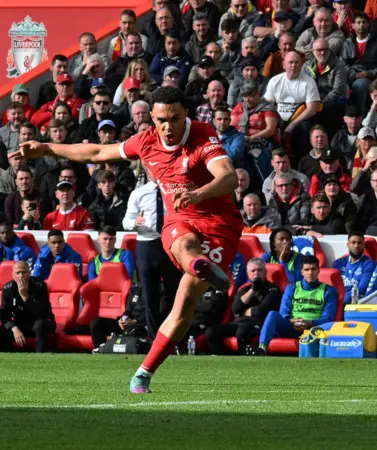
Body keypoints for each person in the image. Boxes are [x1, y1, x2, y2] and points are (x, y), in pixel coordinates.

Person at [13, 86, 242, 394]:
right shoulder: (146, 141)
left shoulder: (203, 136)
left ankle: (145, 371)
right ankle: (199, 266)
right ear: (152, 118)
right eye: (160, 119)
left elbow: (228, 177)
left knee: (185, 300)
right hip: (180, 219)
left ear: (185, 114)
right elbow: (96, 152)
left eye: (174, 119)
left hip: (219, 224)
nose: (167, 127)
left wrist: (198, 194)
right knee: (184, 245)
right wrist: (47, 148)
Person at [122, 167, 181, 339]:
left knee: (174, 293)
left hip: (170, 243)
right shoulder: (139, 193)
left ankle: (174, 338)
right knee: (149, 295)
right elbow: (126, 221)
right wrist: (135, 222)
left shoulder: (174, 191)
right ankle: (154, 339)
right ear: (148, 172)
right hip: (147, 245)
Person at [249, 255, 337, 355]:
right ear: (302, 272)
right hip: (293, 327)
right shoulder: (292, 288)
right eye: (307, 269)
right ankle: (262, 349)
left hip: (315, 329)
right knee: (273, 314)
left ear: (318, 270)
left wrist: (308, 322)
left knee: (333, 325)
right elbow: (283, 313)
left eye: (313, 269)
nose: (310, 273)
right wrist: (294, 322)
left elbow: (328, 318)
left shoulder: (329, 290)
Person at [207, 258, 282, 354]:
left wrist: (243, 311)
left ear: (265, 272)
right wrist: (252, 290)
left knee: (241, 332)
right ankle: (225, 358)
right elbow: (235, 309)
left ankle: (245, 361)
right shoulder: (244, 289)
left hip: (259, 324)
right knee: (211, 332)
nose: (256, 273)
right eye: (253, 271)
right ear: (248, 274)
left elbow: (260, 311)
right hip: (238, 322)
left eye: (259, 270)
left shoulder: (272, 289)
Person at [0, 261, 55, 353]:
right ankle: (8, 356)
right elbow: (4, 316)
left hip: (40, 322)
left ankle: (41, 357)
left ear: (29, 273)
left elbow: (42, 313)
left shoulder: (39, 286)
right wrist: (14, 328)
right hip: (20, 323)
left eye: (24, 272)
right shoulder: (8, 289)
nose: (21, 276)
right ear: (13, 275)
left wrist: (25, 297)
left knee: (40, 325)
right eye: (18, 273)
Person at [90, 284, 147, 352]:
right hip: (129, 324)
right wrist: (123, 320)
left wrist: (135, 322)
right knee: (96, 323)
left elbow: (157, 315)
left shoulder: (160, 289)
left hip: (144, 325)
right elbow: (128, 310)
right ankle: (100, 350)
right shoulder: (135, 289)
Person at [332, 232, 375, 305]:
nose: (356, 245)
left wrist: (342, 295)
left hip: (355, 301)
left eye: (359, 243)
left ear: (363, 245)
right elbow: (332, 286)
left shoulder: (369, 264)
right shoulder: (338, 263)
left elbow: (361, 289)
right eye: (353, 242)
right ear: (348, 244)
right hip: (338, 298)